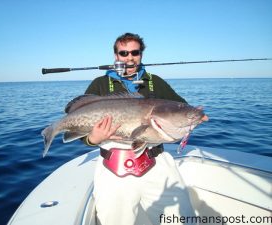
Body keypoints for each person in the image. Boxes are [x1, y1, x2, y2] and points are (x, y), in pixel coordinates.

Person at [83, 33, 195, 225]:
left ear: (141, 55)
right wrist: (92, 139)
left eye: (135, 52)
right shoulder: (100, 84)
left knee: (181, 219)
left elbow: (181, 108)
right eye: (123, 53)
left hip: (156, 161)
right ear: (116, 56)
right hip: (113, 167)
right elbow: (81, 131)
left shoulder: (155, 81)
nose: (129, 57)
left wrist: (194, 116)